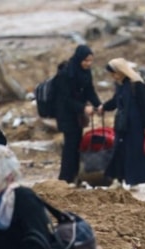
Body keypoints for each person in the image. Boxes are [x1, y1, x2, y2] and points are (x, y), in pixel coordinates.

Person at [97, 58, 145, 189]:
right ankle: (118, 180)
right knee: (119, 151)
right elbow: (116, 101)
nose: (113, 76)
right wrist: (104, 107)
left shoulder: (137, 85)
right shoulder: (120, 85)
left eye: (114, 73)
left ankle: (134, 181)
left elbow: (144, 107)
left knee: (134, 153)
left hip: (136, 125)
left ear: (121, 71)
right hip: (122, 124)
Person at [53, 45, 101, 184]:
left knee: (77, 144)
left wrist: (98, 105)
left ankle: (74, 176)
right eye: (85, 61)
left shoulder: (85, 72)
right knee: (71, 145)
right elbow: (65, 99)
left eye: (90, 61)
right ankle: (65, 179)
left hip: (77, 114)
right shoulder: (67, 73)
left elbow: (89, 90)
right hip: (66, 114)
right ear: (79, 59)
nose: (88, 64)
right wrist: (83, 108)